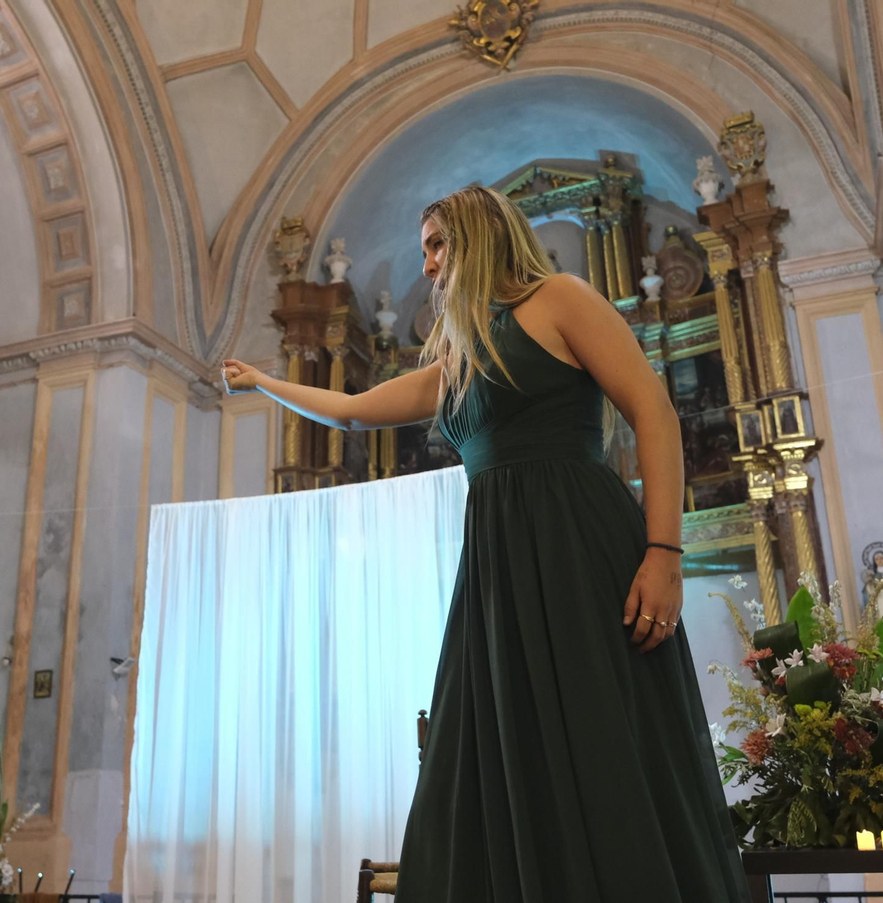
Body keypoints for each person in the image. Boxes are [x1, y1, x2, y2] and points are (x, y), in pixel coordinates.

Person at [221, 186, 747, 900]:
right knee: (490, 754)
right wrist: (264, 382)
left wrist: (664, 553)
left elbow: (653, 410)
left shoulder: (560, 299)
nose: (431, 265)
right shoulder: (459, 359)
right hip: (498, 568)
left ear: (480, 232)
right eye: (425, 251)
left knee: (600, 737)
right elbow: (349, 413)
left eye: (438, 244)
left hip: (579, 542)